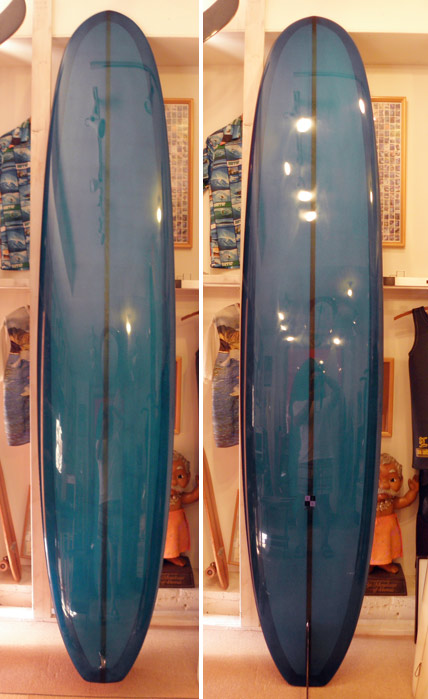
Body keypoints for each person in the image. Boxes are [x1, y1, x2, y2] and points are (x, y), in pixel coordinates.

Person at [370, 453, 419, 574]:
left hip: (388, 532)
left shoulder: (391, 502)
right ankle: (370, 564)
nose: (384, 485)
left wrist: (413, 491)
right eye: (377, 479)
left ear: (401, 480)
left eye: (392, 479)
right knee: (371, 547)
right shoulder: (367, 502)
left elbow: (405, 501)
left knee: (386, 547)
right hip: (371, 530)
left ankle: (385, 563)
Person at [164, 450, 199, 566]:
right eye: (168, 476)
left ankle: (173, 555)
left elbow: (191, 497)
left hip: (178, 524)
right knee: (168, 540)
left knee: (176, 540)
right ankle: (169, 556)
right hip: (166, 523)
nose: (174, 481)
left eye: (180, 476)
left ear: (188, 477)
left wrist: (199, 488)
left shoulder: (179, 496)